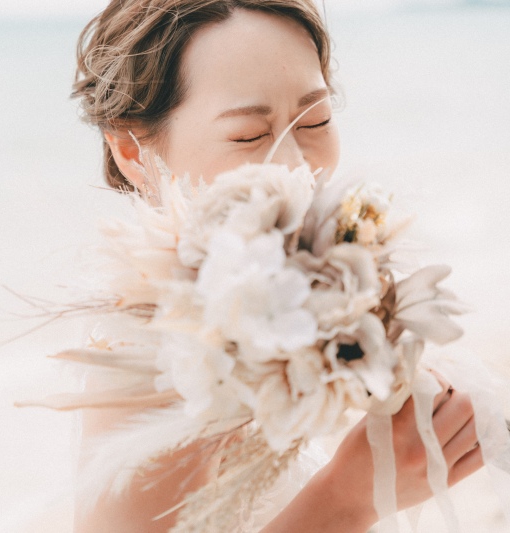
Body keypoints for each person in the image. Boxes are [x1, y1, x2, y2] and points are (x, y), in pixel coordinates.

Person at [70, 1, 484, 532]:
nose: (295, 166)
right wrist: (349, 498)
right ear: (130, 150)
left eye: (316, 120)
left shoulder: (267, 304)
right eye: (248, 135)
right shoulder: (151, 352)